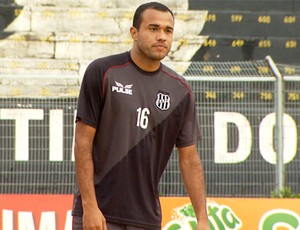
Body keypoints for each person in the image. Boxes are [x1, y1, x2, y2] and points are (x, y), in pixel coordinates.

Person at [72, 2, 210, 230]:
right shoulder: (103, 72)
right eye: (153, 28)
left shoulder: (180, 90)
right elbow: (83, 142)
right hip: (100, 214)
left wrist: (202, 219)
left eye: (168, 30)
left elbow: (189, 158)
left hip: (146, 219)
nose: (162, 37)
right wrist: (89, 206)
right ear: (134, 33)